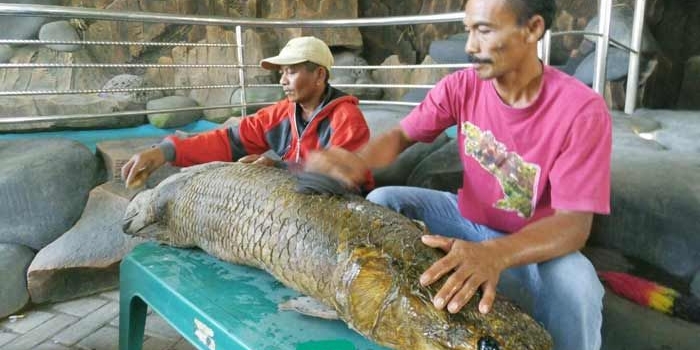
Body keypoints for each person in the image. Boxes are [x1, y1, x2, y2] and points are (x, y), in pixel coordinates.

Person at [304, 0, 611, 349]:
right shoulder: (461, 86)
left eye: (484, 30)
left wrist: (495, 254)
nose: (469, 46)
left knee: (580, 285)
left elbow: (574, 225)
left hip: (534, 246)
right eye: (468, 31)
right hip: (466, 220)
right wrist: (357, 160)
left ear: (533, 28)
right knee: (383, 202)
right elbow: (402, 135)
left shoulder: (581, 110)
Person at [121, 36, 370, 188]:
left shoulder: (346, 118)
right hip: (298, 194)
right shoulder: (281, 114)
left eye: (291, 72)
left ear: (319, 75)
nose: (282, 80)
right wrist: (165, 151)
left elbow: (343, 178)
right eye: (281, 72)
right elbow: (229, 141)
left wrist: (279, 169)